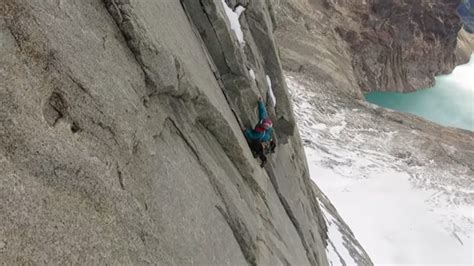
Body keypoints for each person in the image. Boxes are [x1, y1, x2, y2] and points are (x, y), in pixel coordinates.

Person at [243, 96, 276, 167]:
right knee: (260, 144)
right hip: (266, 140)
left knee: (256, 146)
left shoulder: (260, 133)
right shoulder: (265, 123)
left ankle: (261, 157)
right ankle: (265, 152)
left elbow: (252, 135)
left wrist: (246, 131)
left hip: (260, 141)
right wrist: (260, 102)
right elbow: (263, 111)